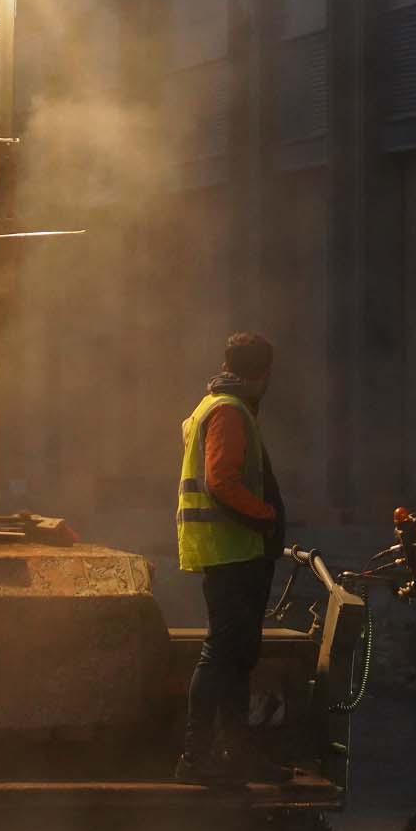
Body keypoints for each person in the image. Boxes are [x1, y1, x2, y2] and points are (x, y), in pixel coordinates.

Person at [173, 333, 284, 785]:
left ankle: (233, 755)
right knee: (222, 653)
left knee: (235, 655)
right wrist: (266, 516)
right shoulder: (229, 411)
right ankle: (197, 758)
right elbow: (221, 481)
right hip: (234, 553)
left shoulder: (213, 407)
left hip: (232, 552)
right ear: (263, 374)